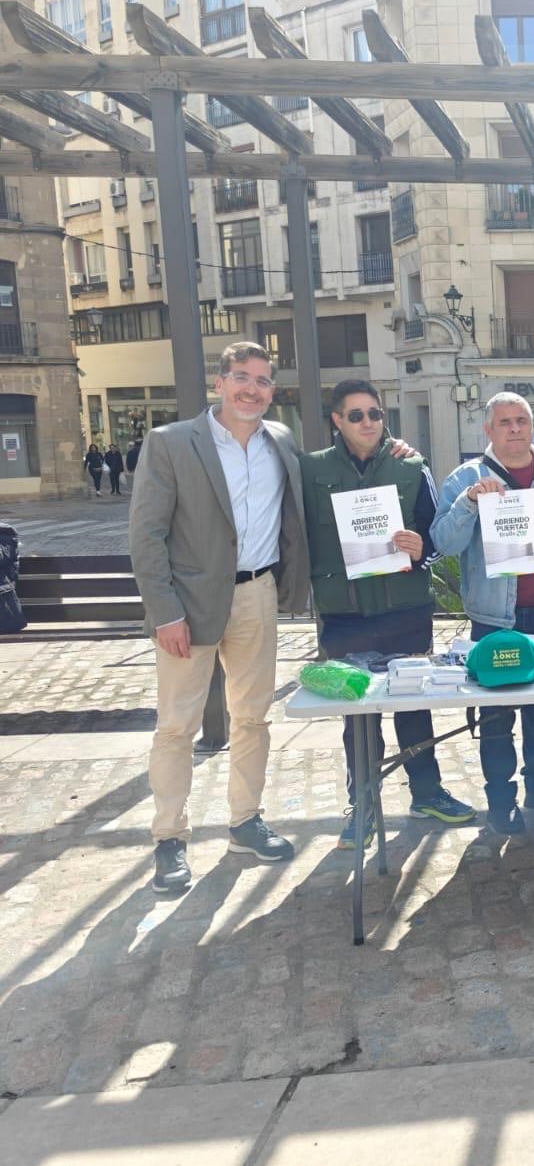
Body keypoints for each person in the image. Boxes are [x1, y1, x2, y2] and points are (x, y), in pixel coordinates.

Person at [128, 342, 311, 894]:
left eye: (261, 381)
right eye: (240, 377)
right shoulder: (171, 443)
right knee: (177, 726)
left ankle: (245, 822)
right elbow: (146, 534)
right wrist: (164, 613)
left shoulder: (281, 441)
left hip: (256, 594)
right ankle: (169, 840)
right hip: (187, 603)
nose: (250, 389)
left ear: (272, 392)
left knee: (252, 717)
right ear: (219, 382)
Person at [302, 379, 474, 850]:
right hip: (344, 614)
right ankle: (364, 805)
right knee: (356, 717)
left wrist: (422, 549)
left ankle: (427, 791)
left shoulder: (411, 466)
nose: (367, 423)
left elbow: (437, 539)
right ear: (336, 420)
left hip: (404, 607)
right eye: (355, 415)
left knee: (414, 705)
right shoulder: (309, 470)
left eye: (374, 414)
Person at [432, 392, 534, 834]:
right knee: (496, 714)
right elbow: (443, 545)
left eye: (521, 421)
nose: (514, 429)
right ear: (488, 431)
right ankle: (500, 800)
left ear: (531, 427)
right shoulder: (464, 478)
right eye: (505, 422)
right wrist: (469, 504)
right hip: (493, 618)